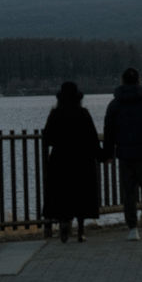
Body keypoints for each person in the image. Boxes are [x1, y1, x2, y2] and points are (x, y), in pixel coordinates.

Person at [102, 67, 142, 241]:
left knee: (128, 192)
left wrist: (107, 154)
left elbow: (108, 131)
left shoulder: (114, 104)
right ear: (139, 80)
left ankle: (132, 229)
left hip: (124, 154)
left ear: (122, 81)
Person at [42, 81, 103, 243]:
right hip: (82, 160)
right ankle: (80, 231)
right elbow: (92, 138)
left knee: (62, 193)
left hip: (60, 159)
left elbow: (47, 138)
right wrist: (101, 155)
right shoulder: (83, 113)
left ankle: (63, 222)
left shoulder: (55, 114)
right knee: (81, 194)